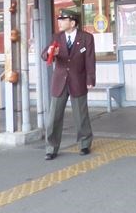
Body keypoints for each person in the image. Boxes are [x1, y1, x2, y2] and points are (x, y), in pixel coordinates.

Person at [41, 9, 96, 160]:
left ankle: (85, 144)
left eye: (62, 19)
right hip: (59, 82)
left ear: (72, 23)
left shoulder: (86, 38)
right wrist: (50, 53)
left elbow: (90, 60)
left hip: (78, 80)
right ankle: (51, 148)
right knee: (54, 117)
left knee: (81, 115)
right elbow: (44, 55)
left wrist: (90, 79)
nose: (59, 22)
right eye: (59, 19)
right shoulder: (56, 37)